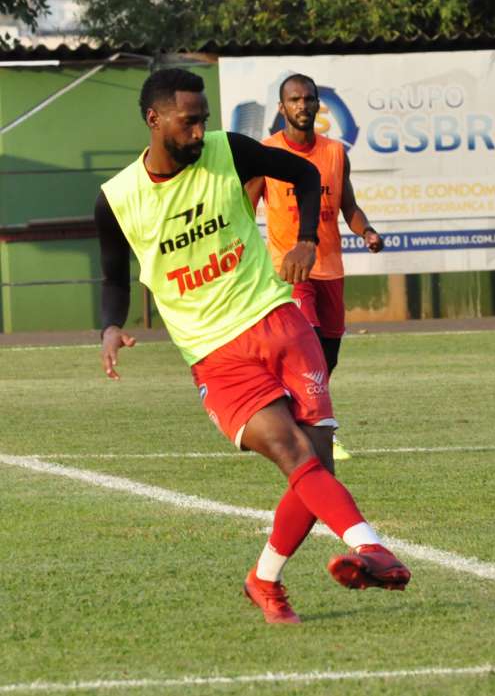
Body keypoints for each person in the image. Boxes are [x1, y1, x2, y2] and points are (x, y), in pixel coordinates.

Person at [94, 68, 410, 624]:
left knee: (318, 462)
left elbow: (306, 176)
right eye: (188, 122)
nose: (199, 133)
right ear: (153, 119)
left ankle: (264, 580)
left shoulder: (230, 151)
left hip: (277, 320)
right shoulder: (117, 200)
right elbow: (115, 278)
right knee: (294, 453)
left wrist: (307, 239)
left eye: (203, 120)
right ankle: (372, 547)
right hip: (214, 353)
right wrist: (110, 326)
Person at [246, 73, 382, 463]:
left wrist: (366, 230)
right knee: (310, 350)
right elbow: (245, 207)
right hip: (290, 270)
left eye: (308, 99)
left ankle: (296, 416)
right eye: (294, 99)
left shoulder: (335, 153)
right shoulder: (266, 153)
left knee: (328, 357)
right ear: (281, 107)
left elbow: (348, 206)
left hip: (330, 269)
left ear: (318, 104)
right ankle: (321, 431)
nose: (302, 105)